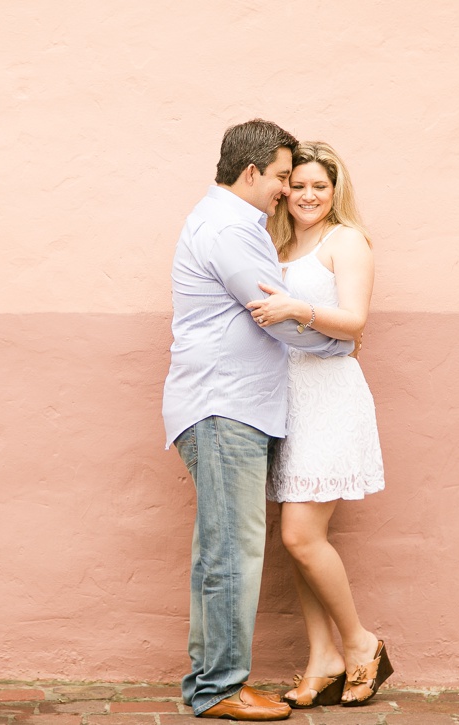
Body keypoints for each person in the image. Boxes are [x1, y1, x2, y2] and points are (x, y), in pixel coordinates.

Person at [162, 121, 355, 721]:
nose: (283, 189)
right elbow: (275, 313)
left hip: (226, 407)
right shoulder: (229, 228)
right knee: (230, 553)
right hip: (226, 408)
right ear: (252, 173)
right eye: (278, 177)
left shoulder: (230, 223)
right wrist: (339, 347)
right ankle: (220, 688)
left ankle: (210, 682)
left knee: (217, 551)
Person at [245, 141, 391, 708]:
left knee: (299, 536)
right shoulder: (278, 242)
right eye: (297, 185)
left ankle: (360, 644)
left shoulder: (345, 241)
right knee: (303, 541)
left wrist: (295, 308)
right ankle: (322, 656)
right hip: (286, 400)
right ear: (283, 189)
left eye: (319, 187)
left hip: (328, 397)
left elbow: (353, 322)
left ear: (335, 192)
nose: (307, 195)